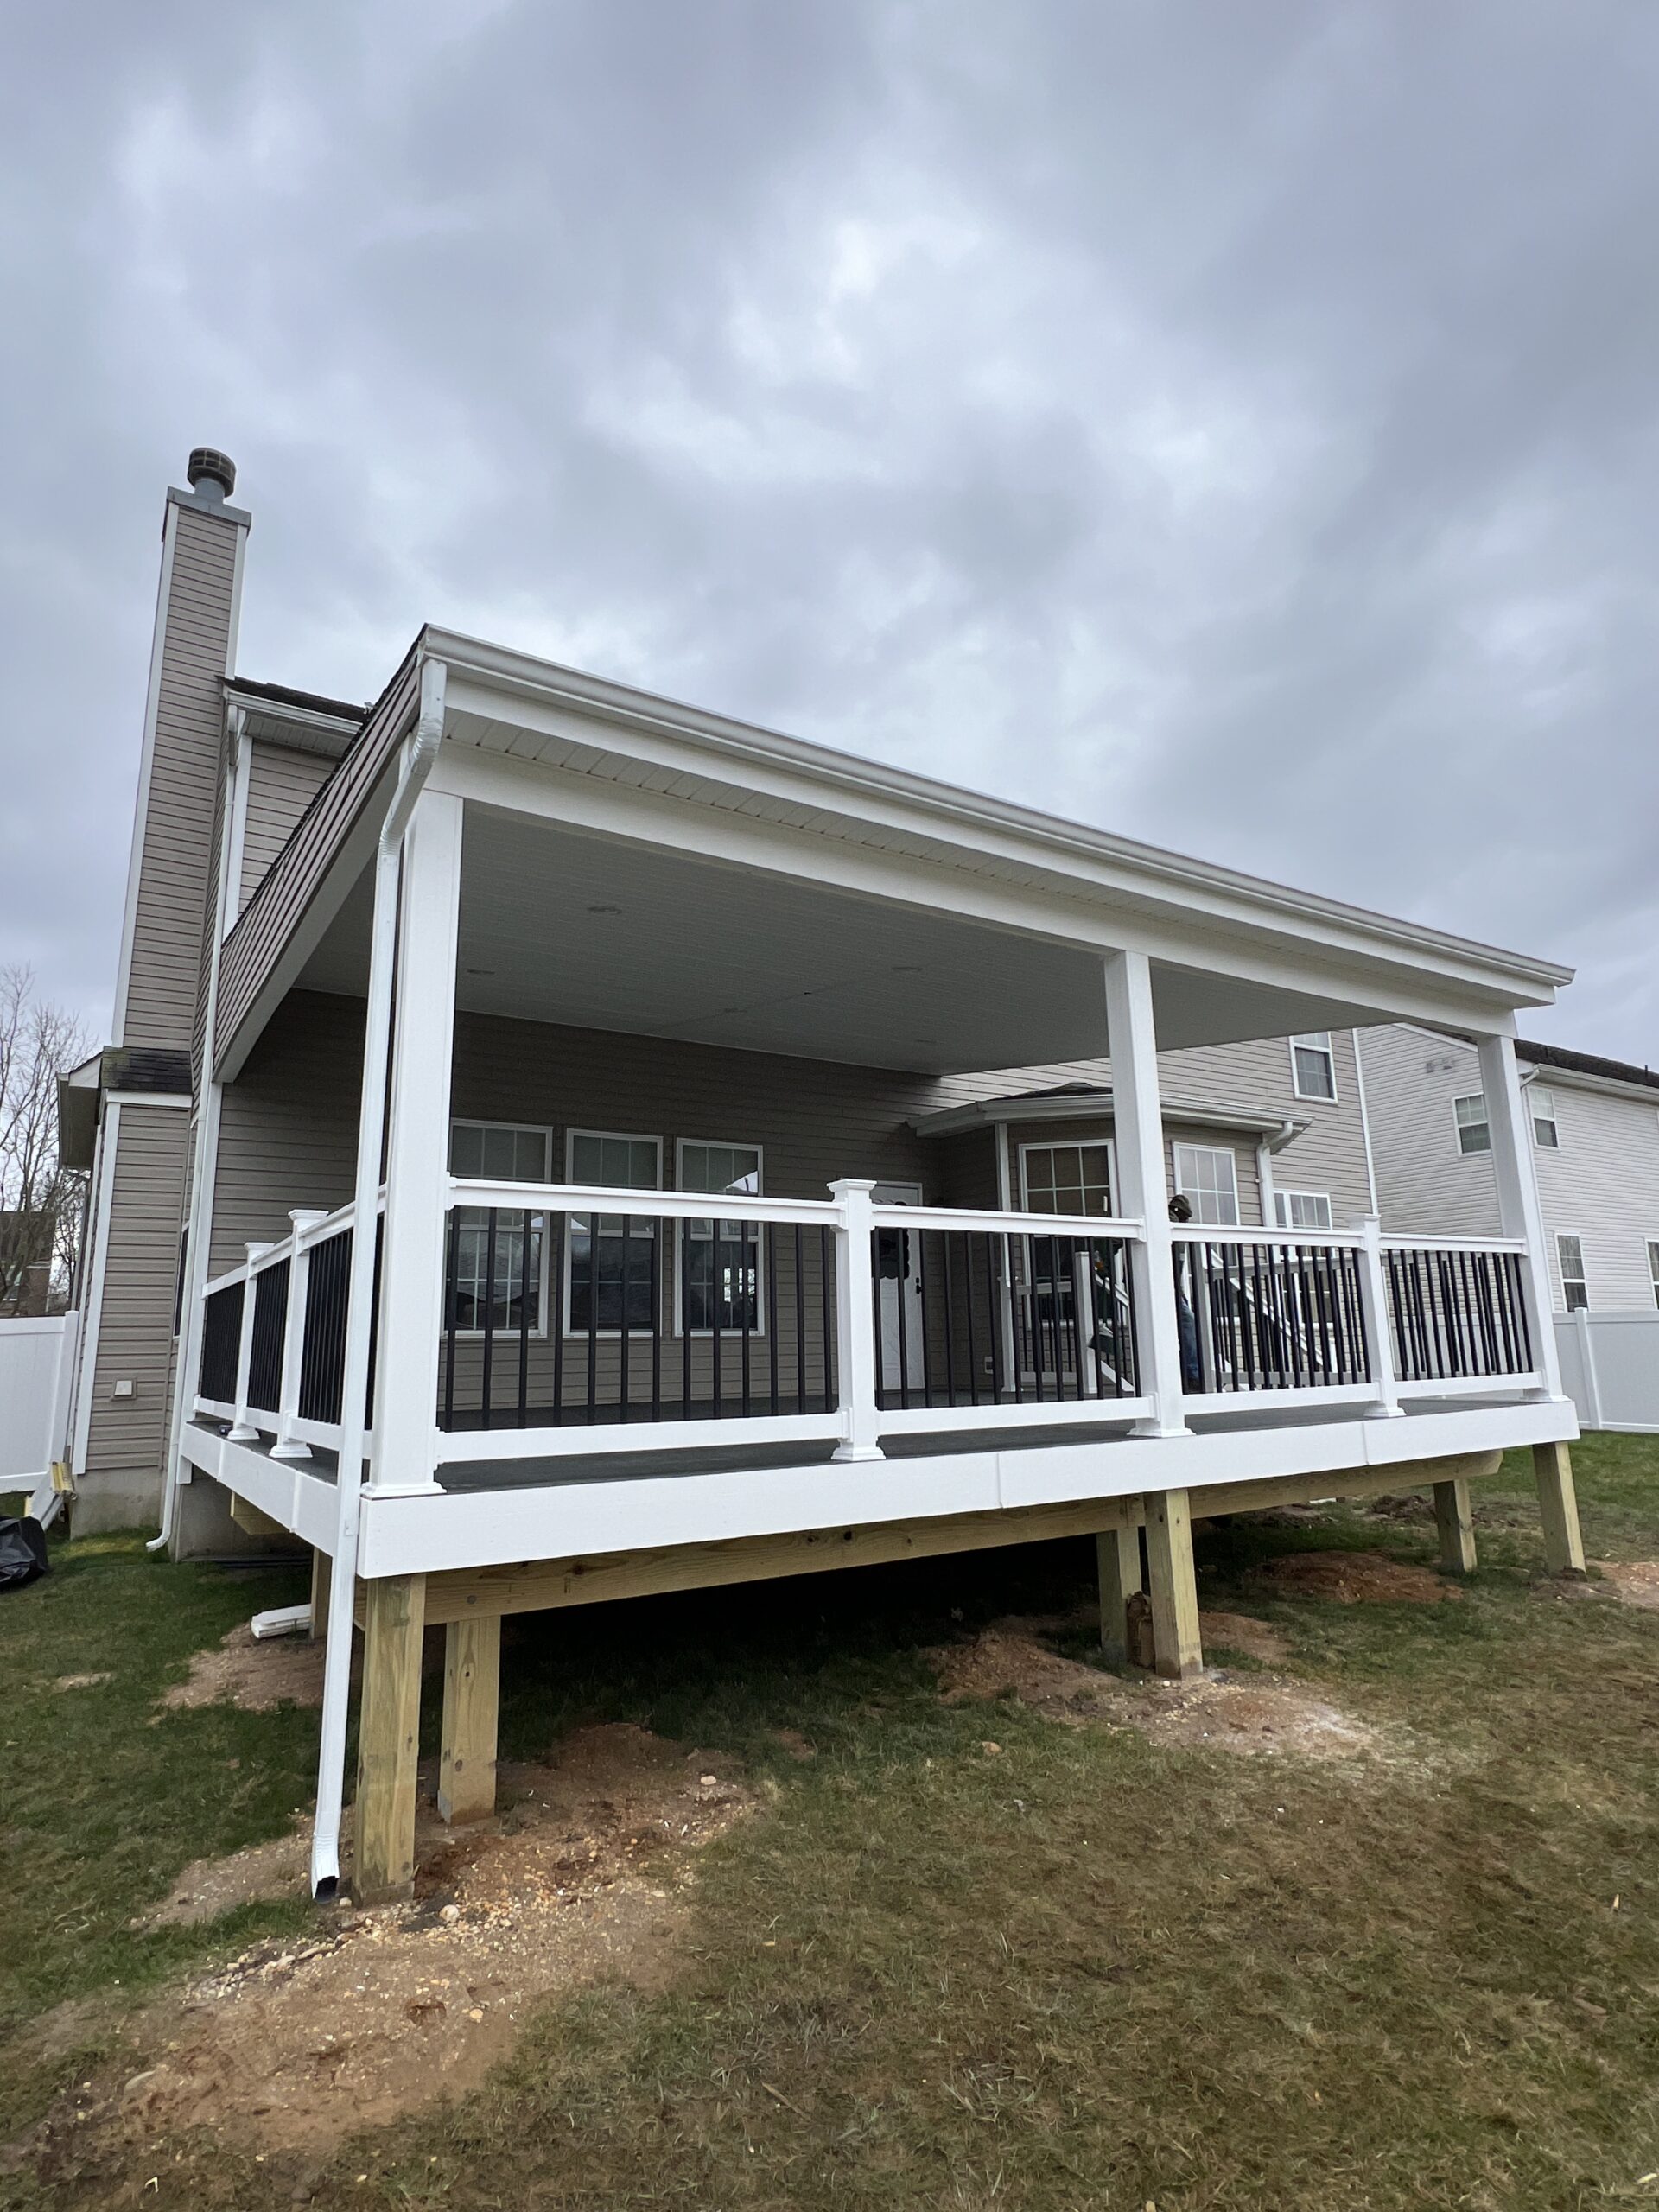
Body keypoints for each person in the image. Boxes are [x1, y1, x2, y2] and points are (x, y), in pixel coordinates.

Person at [1168, 1192, 1203, 1390]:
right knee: (1188, 1322)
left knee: (1187, 1324)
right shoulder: (1171, 1222)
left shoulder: (1178, 1229)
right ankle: (1193, 1374)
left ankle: (1190, 1372)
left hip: (1172, 1288)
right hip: (1165, 1287)